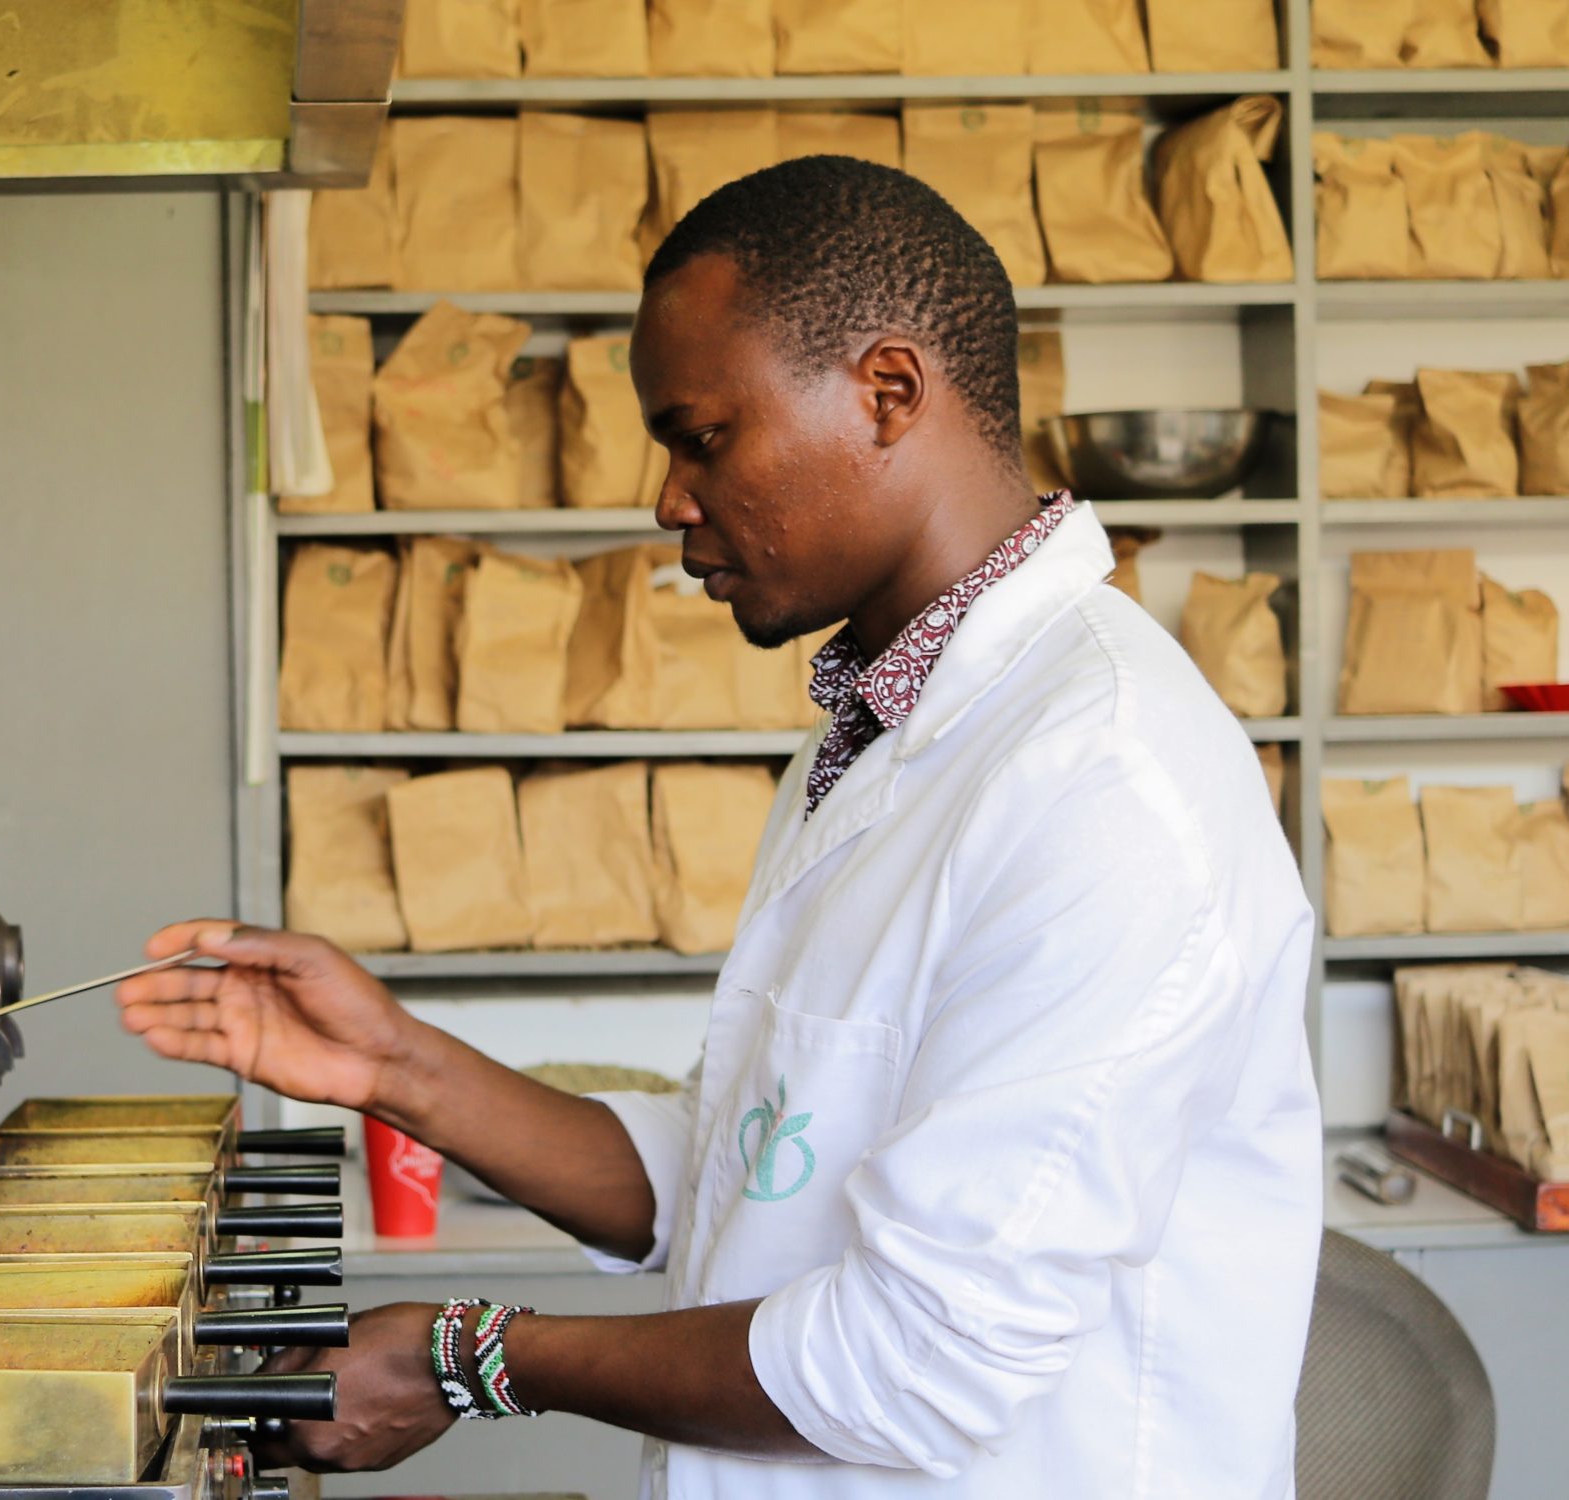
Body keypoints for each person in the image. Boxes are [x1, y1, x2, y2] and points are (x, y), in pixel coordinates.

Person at [120, 156, 1322, 1496]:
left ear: (888, 393)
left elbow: (913, 1362)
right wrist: (396, 1065)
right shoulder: (877, 729)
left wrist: (470, 1357)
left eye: (703, 438)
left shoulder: (1105, 783)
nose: (669, 501)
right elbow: (753, 1167)